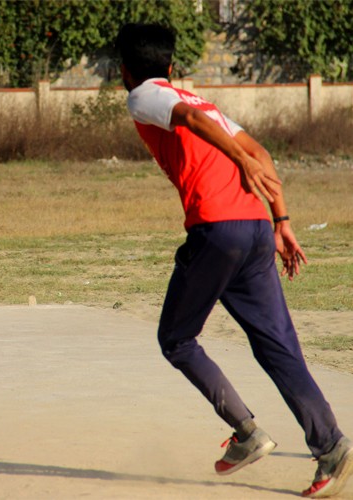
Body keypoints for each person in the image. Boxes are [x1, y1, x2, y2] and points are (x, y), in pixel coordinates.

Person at [115, 23, 351, 498]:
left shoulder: (143, 96)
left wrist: (240, 165)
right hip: (256, 228)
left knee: (177, 339)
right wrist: (281, 219)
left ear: (124, 71)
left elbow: (198, 126)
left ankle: (247, 434)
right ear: (172, 66)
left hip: (217, 230)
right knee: (277, 346)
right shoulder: (207, 103)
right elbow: (258, 151)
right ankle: (331, 447)